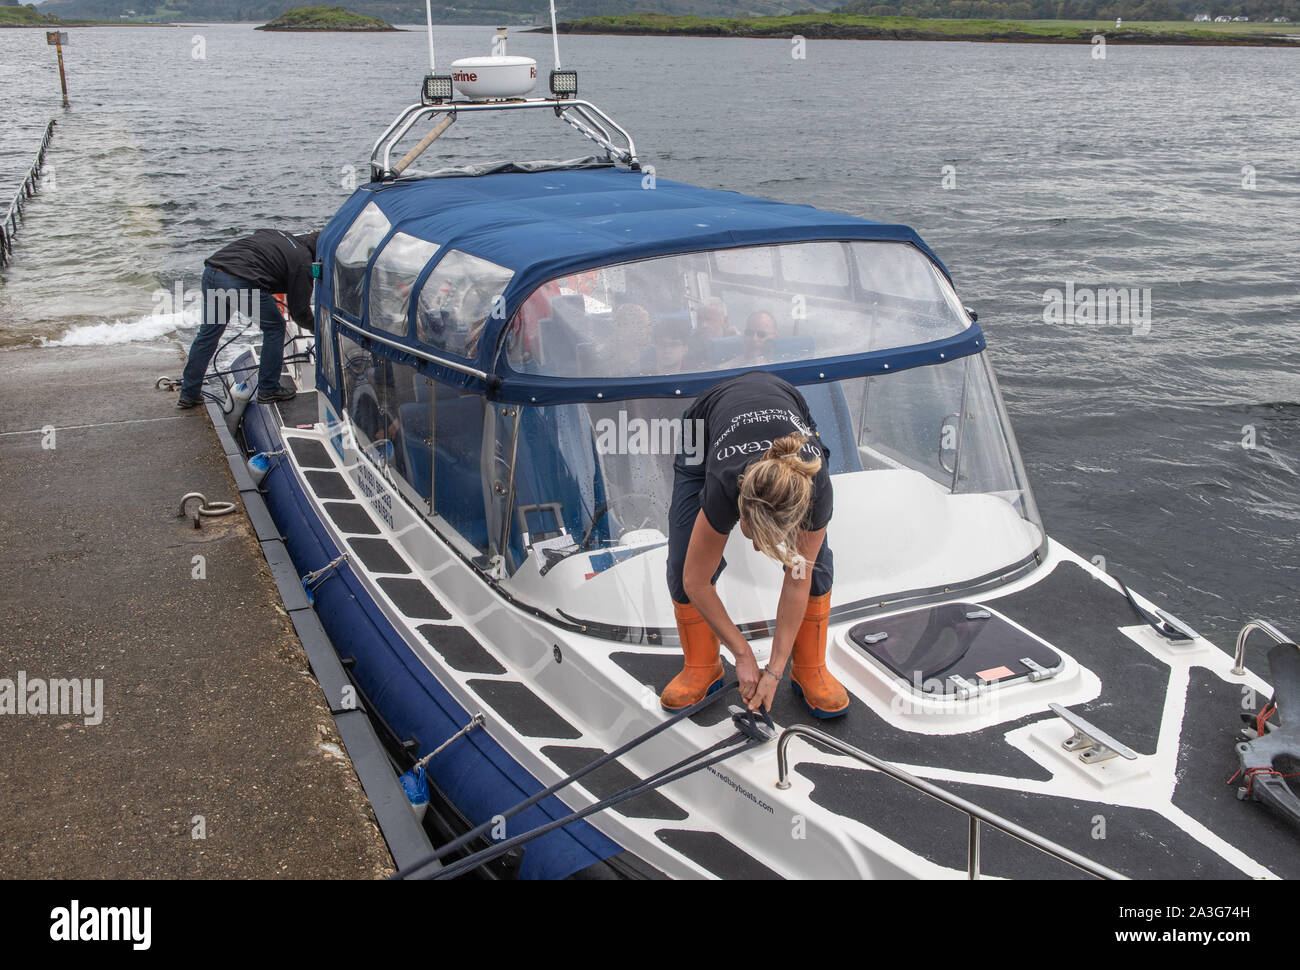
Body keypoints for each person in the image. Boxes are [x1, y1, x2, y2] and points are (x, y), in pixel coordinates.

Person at [663, 370, 849, 718]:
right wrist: (742, 655)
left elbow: (797, 578)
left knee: (814, 564)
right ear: (740, 514)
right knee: (682, 558)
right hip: (702, 425)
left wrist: (775, 669)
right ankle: (701, 666)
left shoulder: (816, 487)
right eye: (754, 537)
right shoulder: (723, 484)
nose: (755, 549)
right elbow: (695, 581)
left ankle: (810, 668)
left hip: (784, 398)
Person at [176, 229, 319, 408]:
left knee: (208, 335)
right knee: (275, 327)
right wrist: (317, 328)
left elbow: (264, 258)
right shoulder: (303, 261)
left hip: (213, 271)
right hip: (239, 281)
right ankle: (268, 389)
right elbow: (299, 312)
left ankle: (188, 394)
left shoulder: (279, 234)